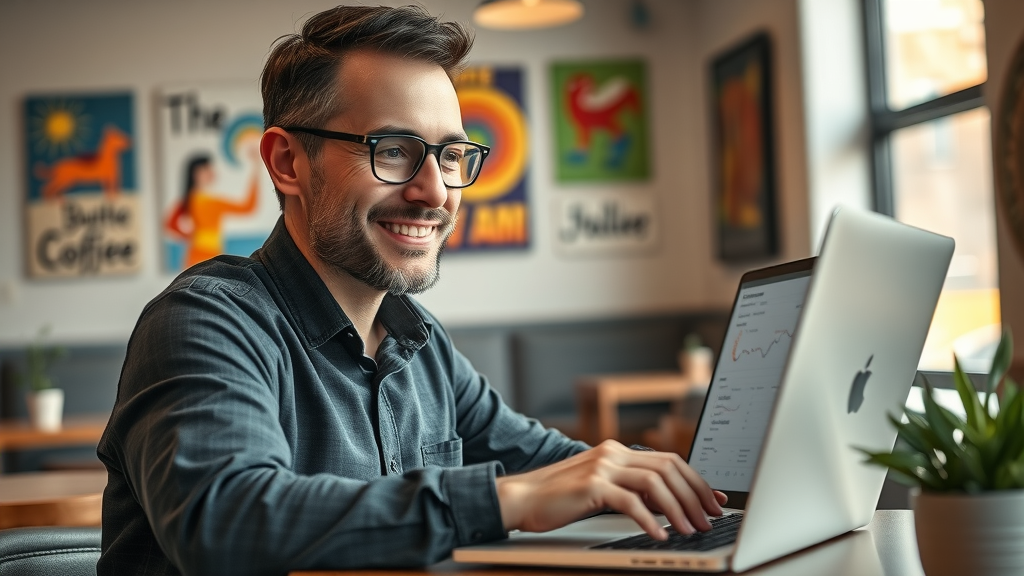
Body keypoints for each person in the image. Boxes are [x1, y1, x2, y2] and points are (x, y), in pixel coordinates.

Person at [96, 5, 726, 576]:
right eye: (393, 150)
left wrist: (678, 482)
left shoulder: (420, 343)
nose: (435, 192)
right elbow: (224, 521)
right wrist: (506, 500)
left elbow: (558, 467)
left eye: (450, 156)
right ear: (288, 163)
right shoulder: (205, 320)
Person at [164, 147, 261, 269]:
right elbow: (247, 207)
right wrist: (255, 168)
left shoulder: (192, 199)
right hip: (204, 255)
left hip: (203, 254)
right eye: (207, 169)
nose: (212, 172)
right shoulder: (207, 202)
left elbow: (170, 224)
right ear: (196, 173)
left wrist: (191, 236)